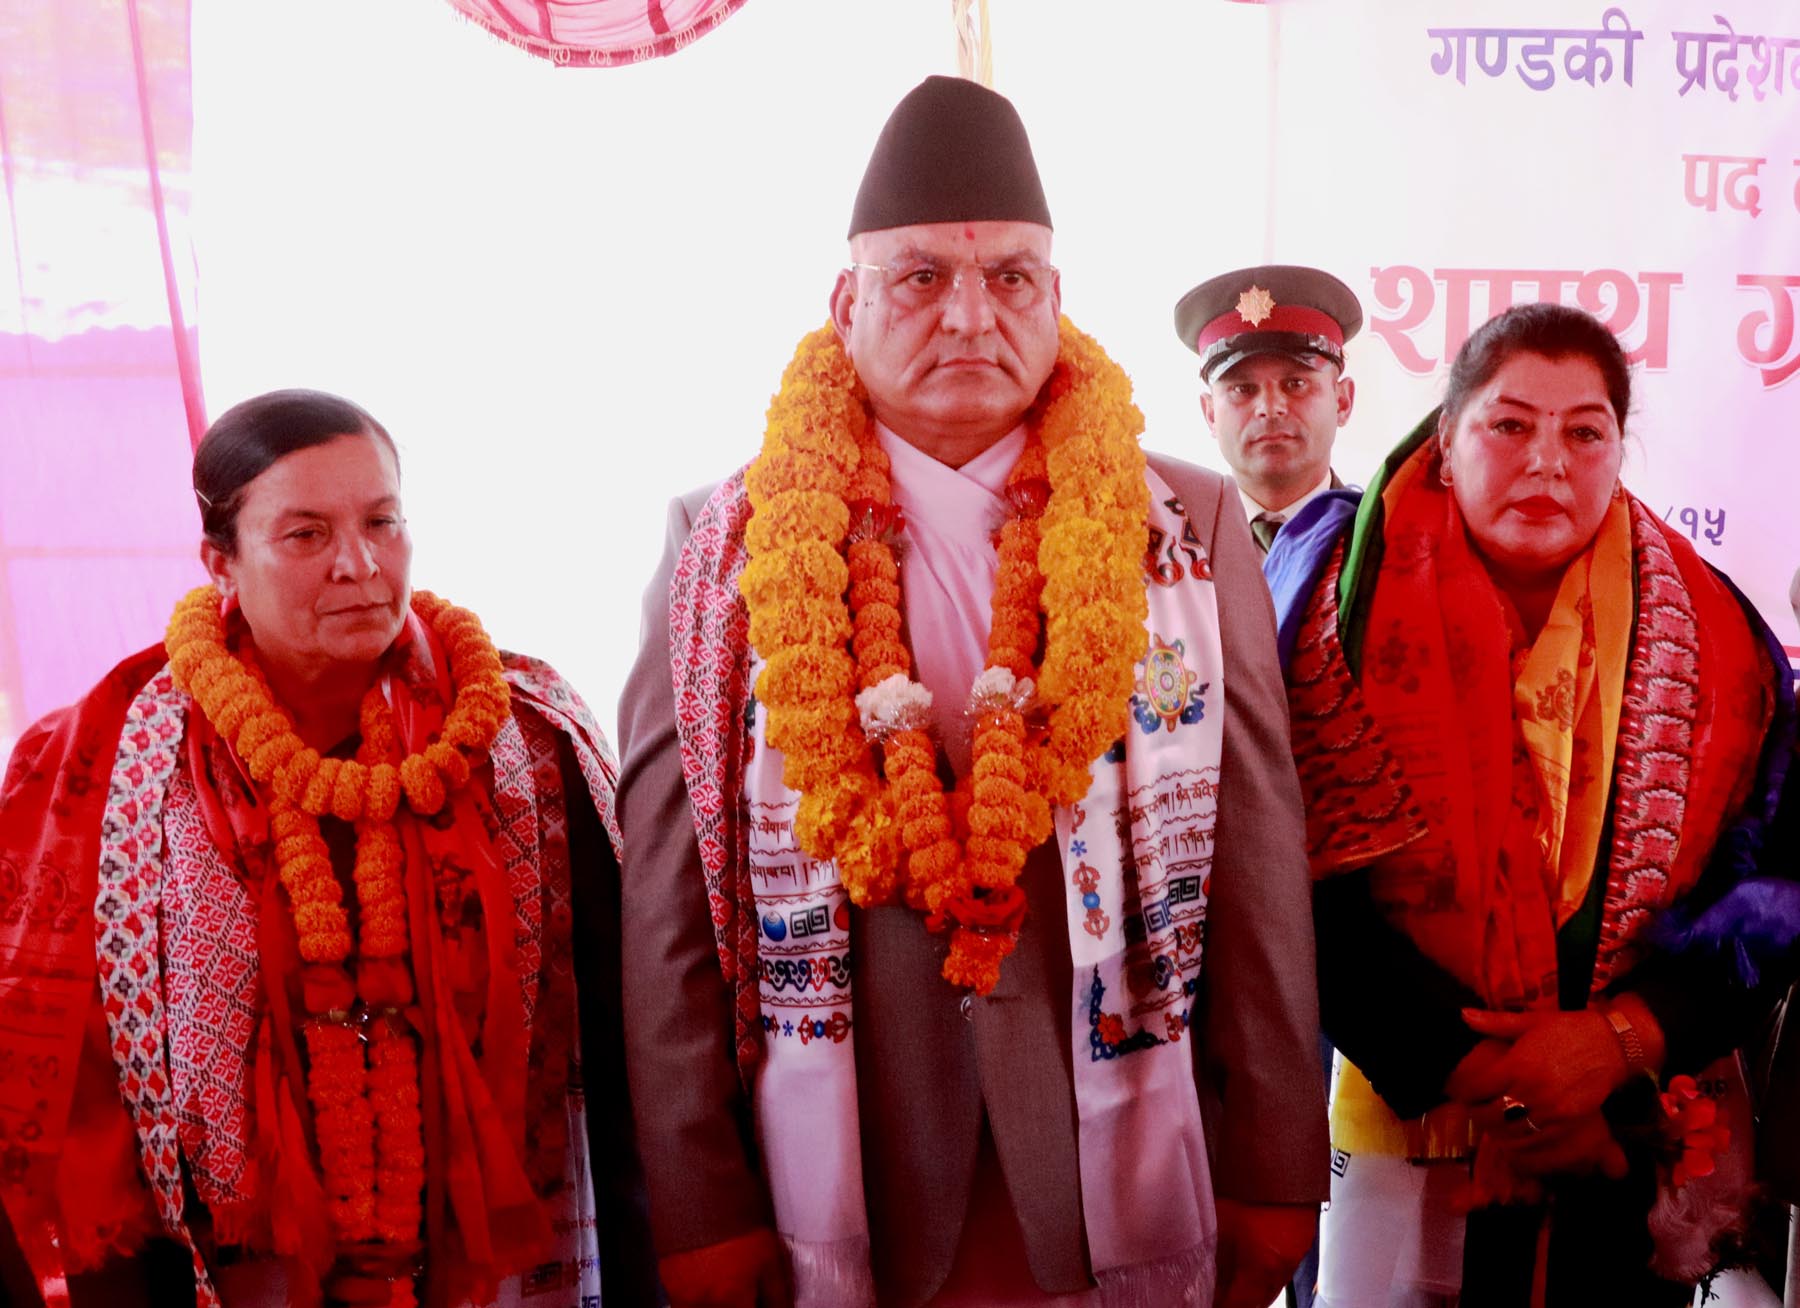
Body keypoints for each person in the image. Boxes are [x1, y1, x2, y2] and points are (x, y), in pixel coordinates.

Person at [616, 74, 1327, 1308]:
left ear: (1056, 300)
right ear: (846, 304)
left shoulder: (1188, 521)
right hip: (844, 1155)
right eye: (921, 278)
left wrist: (1275, 1163)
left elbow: (1258, 859)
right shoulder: (722, 544)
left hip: (1116, 1148)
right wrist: (696, 1202)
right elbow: (672, 903)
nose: (968, 316)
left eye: (1010, 278)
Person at [0, 390, 657, 1306]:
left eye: (382, 522)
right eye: (306, 535)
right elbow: (77, 1105)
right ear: (220, 563)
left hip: (505, 1269)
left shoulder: (528, 740)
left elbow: (627, 1056)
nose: (359, 564)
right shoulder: (103, 763)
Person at [1264, 302, 1798, 1305]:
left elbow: (1776, 887)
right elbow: (1279, 877)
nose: (1547, 462)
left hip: (1626, 1124)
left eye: (1583, 433)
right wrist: (1496, 1082)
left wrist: (1618, 1043)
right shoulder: (1331, 603)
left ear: (1619, 451)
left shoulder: (1720, 635)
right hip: (1402, 1096)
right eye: (1509, 425)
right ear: (1447, 435)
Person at [1173, 265, 1361, 555]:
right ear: (1210, 414)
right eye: (1243, 389)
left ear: (1343, 401)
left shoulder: (1386, 540)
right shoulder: (1170, 547)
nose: (1270, 408)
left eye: (1295, 384)